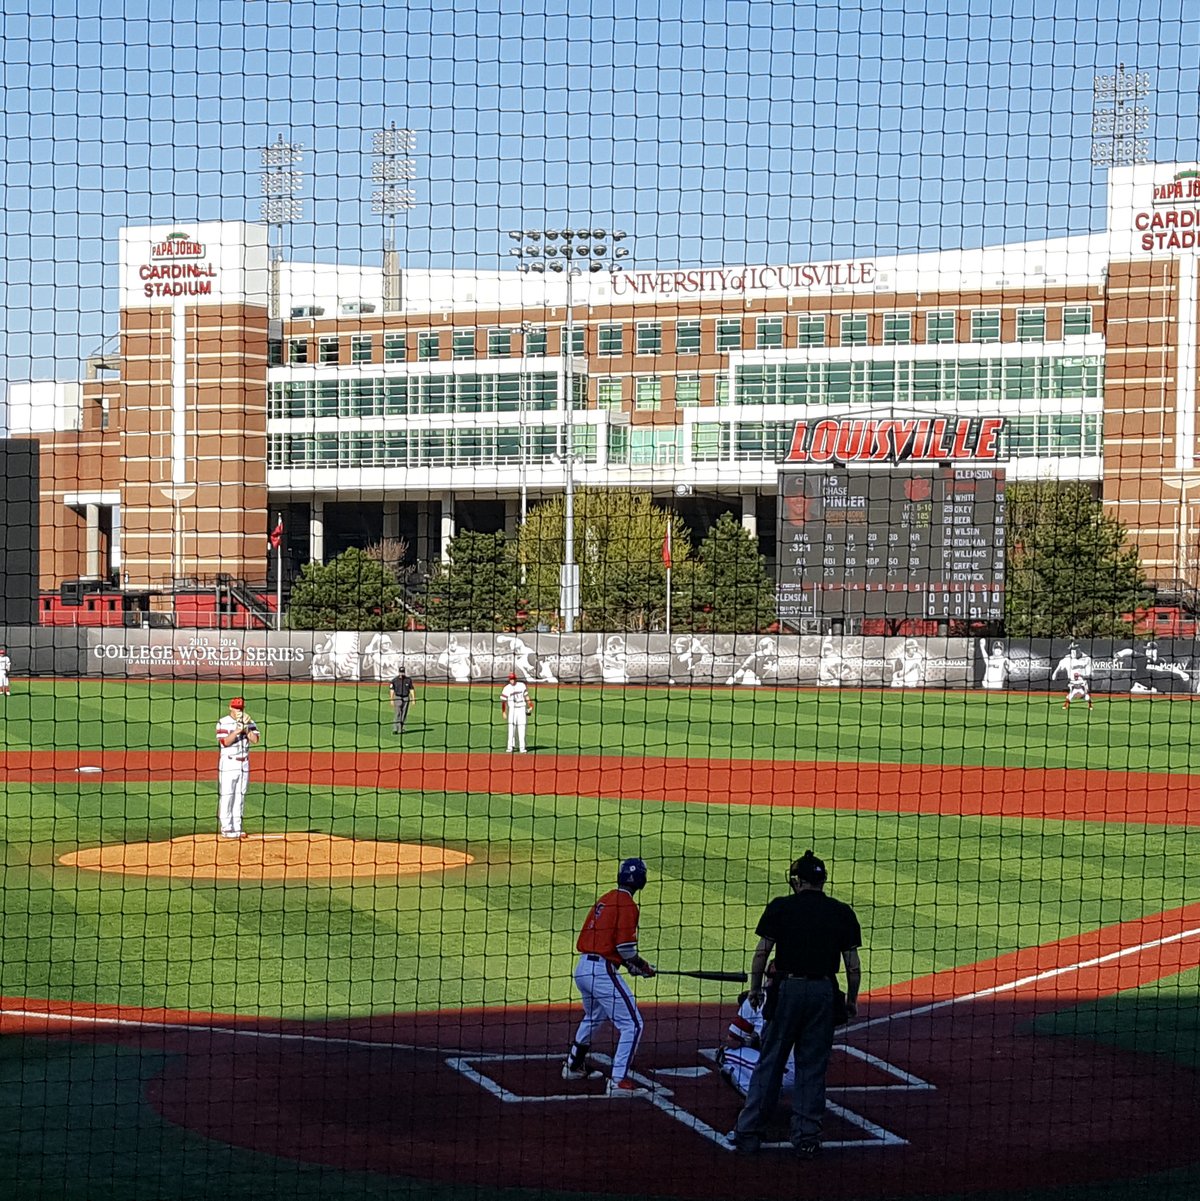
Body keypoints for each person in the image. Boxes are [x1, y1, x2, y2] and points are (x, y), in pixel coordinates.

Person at [730, 850, 862, 1159]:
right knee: (812, 1067)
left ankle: (749, 1132)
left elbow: (762, 953)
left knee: (771, 1062)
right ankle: (806, 1136)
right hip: (823, 993)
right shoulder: (841, 912)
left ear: (799, 881)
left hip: (787, 990)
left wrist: (755, 989)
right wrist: (852, 1001)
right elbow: (853, 966)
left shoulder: (781, 907)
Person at [562, 857, 656, 1096]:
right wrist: (640, 964)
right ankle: (617, 1081)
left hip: (583, 969)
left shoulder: (606, 898)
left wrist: (628, 964)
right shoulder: (628, 905)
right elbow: (625, 948)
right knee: (633, 1024)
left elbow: (610, 944)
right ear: (642, 880)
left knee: (594, 1016)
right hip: (601, 972)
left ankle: (573, 1065)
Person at [716, 965, 796, 1100]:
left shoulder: (755, 1000)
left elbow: (732, 1041)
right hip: (809, 1077)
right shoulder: (803, 998)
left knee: (723, 1054)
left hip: (779, 1075)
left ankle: (755, 1101)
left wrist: (750, 1038)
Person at [214, 697, 260, 839]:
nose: (238, 711)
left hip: (244, 763)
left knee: (240, 795)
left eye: (240, 708)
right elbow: (224, 742)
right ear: (230, 708)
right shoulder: (223, 722)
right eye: (236, 708)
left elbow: (256, 740)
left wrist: (246, 729)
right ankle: (227, 828)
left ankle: (237, 827)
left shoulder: (249, 721)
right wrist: (236, 731)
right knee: (227, 795)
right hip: (229, 762)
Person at [1051, 642, 1093, 709]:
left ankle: (1090, 705)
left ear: (1079, 648)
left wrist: (1082, 675)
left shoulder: (1087, 659)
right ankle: (1066, 705)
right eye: (1072, 649)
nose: (1074, 651)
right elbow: (1060, 665)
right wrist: (1055, 673)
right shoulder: (1067, 658)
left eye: (1076, 648)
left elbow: (1090, 674)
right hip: (1072, 682)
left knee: (1084, 695)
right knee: (1071, 695)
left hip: (1082, 682)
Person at [499, 671, 533, 753]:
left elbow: (526, 696)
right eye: (511, 679)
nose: (512, 680)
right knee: (511, 728)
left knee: (522, 728)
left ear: (515, 679)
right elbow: (504, 701)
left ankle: (522, 747)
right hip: (512, 710)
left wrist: (531, 705)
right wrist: (504, 711)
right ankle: (510, 747)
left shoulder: (522, 685)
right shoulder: (506, 688)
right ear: (509, 679)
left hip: (521, 708)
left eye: (513, 679)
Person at [388, 668, 417, 734]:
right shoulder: (394, 680)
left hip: (406, 697)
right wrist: (391, 699)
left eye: (403, 672)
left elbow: (411, 689)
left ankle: (400, 729)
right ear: (399, 672)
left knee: (404, 714)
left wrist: (413, 699)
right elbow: (392, 690)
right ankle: (395, 728)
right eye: (400, 672)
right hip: (398, 697)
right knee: (398, 713)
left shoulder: (408, 680)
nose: (402, 673)